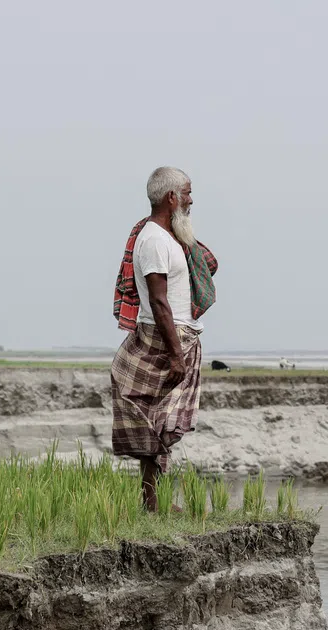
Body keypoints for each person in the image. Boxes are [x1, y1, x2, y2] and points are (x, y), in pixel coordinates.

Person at [110, 166, 217, 510]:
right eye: (186, 193)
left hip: (175, 336)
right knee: (158, 423)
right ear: (171, 198)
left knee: (157, 422)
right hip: (166, 339)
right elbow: (158, 302)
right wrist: (175, 355)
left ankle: (152, 502)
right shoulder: (155, 241)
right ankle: (153, 502)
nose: (191, 200)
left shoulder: (167, 236)